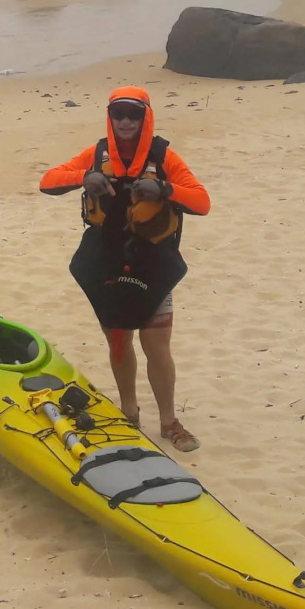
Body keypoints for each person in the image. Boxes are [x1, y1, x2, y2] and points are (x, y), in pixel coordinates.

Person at [39, 87, 210, 452]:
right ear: (110, 117)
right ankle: (129, 413)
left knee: (156, 345)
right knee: (118, 341)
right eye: (119, 114)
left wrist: (164, 187)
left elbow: (202, 201)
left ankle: (168, 422)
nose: (126, 121)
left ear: (145, 116)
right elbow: (48, 180)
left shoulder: (164, 156)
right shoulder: (96, 154)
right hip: (107, 259)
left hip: (153, 262)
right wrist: (83, 177)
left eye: (134, 114)